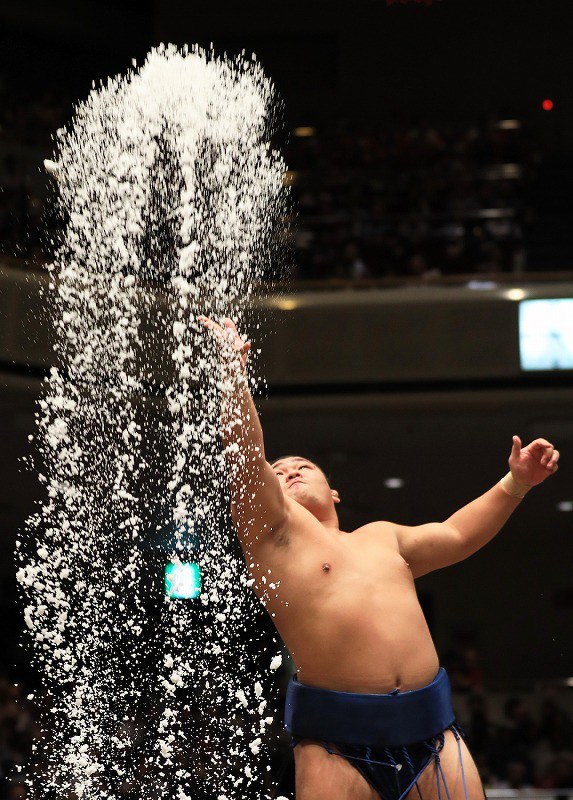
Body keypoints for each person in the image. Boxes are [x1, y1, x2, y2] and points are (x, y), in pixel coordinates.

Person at [198, 314, 561, 800]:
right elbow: (245, 455)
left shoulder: (383, 537)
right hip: (335, 743)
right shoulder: (272, 535)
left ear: (336, 492)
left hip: (433, 734)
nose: (290, 472)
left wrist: (515, 483)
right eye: (280, 471)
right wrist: (231, 378)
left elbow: (455, 535)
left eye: (304, 467)